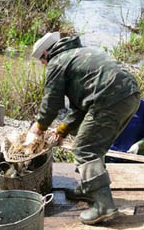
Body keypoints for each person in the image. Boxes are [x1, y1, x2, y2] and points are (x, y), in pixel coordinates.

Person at [29, 32, 140, 225]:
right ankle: (89, 189)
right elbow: (80, 107)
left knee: (84, 149)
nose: (44, 66)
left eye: (42, 61)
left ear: (46, 53)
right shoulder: (79, 53)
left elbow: (51, 102)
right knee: (96, 146)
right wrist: (62, 130)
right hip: (131, 95)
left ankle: (104, 206)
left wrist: (38, 128)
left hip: (110, 98)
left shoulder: (57, 62)